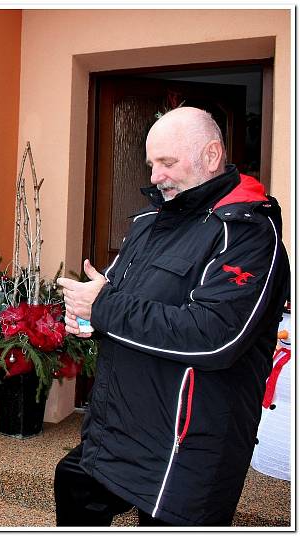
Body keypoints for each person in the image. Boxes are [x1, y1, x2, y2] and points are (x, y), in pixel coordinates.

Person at [55, 107, 290, 526]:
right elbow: (117, 297)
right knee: (73, 484)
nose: (155, 177)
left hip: (188, 446)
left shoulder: (248, 232)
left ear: (212, 155)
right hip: (119, 427)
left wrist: (105, 307)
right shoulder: (149, 221)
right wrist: (90, 320)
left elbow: (215, 336)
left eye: (167, 162)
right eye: (151, 164)